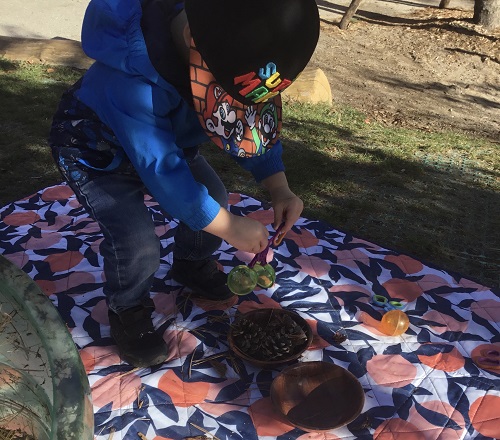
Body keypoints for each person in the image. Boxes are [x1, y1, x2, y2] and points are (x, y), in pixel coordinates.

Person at [49, 0, 320, 368]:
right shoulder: (130, 80)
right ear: (193, 39)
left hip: (168, 145)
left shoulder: (218, 54)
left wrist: (279, 187)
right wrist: (226, 226)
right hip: (96, 156)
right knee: (135, 239)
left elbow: (246, 124)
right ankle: (127, 308)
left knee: (216, 198)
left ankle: (190, 264)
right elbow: (161, 169)